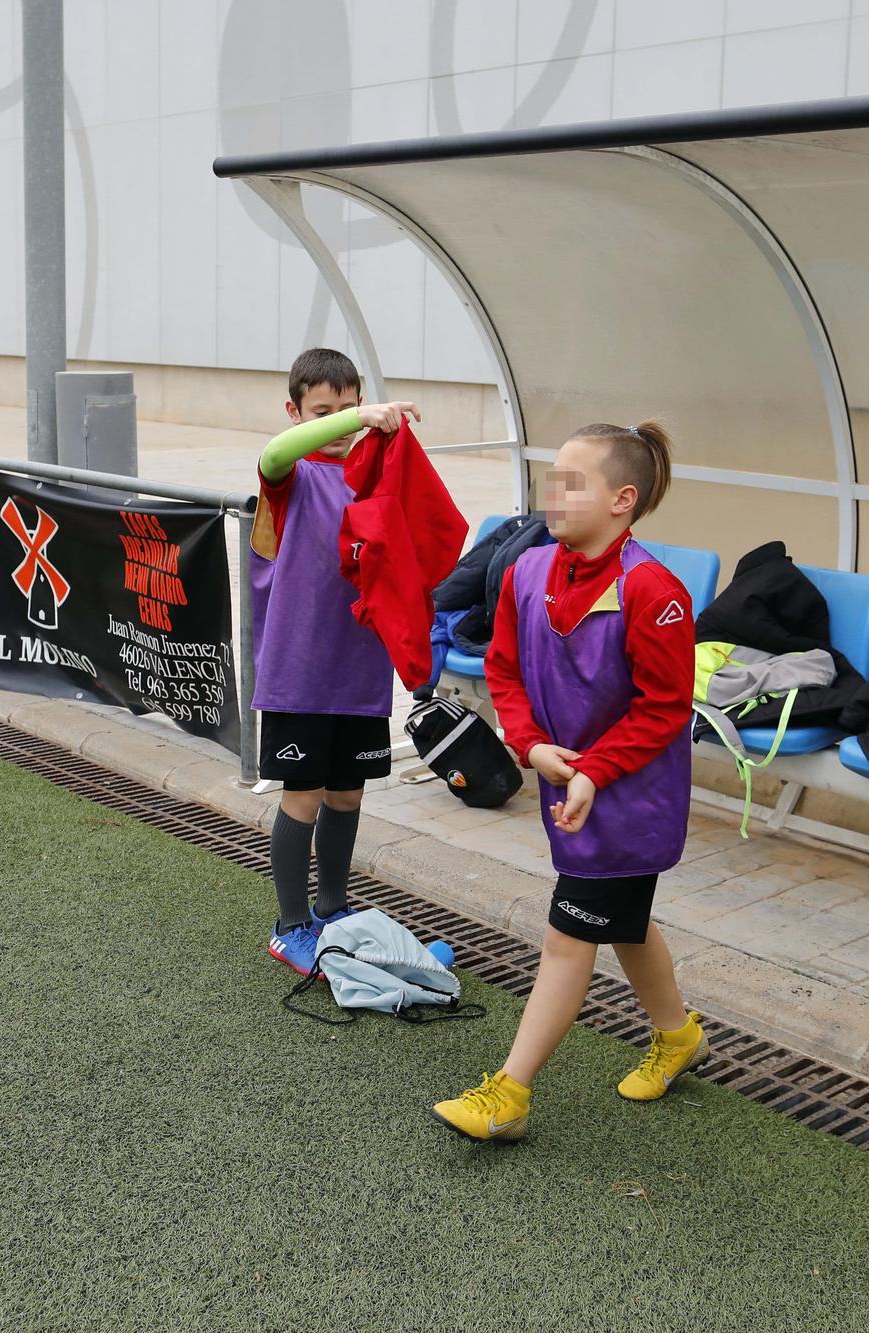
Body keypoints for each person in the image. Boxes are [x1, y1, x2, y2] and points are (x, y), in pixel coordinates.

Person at [432, 421, 705, 1142]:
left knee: (569, 934)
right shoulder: (526, 570)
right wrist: (529, 746)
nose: (553, 490)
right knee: (622, 919)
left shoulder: (654, 589)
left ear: (623, 500)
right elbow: (503, 668)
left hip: (632, 797)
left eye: (573, 480)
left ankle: (510, 1093)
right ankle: (677, 1035)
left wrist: (594, 770)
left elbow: (665, 708)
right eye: (552, 475)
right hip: (571, 786)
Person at [250, 346, 424, 974]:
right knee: (305, 794)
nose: (347, 423)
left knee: (348, 794)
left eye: (352, 408)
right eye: (326, 412)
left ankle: (332, 909)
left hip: (360, 668)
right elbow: (273, 454)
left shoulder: (369, 475)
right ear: (295, 412)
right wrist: (357, 420)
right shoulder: (288, 476)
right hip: (298, 670)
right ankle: (289, 924)